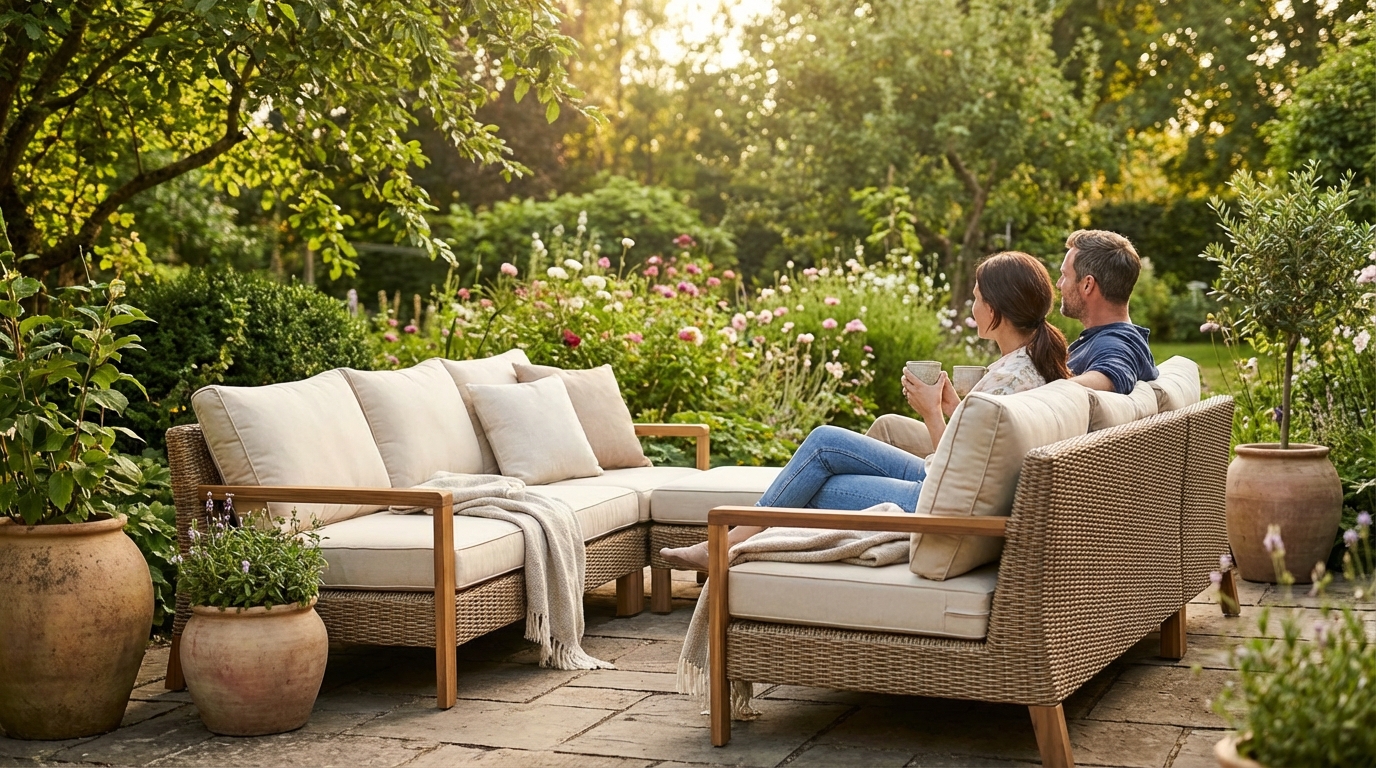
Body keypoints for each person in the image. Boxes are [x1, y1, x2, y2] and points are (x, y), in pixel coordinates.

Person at [658, 251, 1071, 571]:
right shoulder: (1027, 364)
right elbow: (983, 451)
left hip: (935, 504)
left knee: (808, 486)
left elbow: (962, 469)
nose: (972, 309)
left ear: (998, 308)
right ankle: (729, 545)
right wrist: (957, 408)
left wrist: (932, 412)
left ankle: (724, 548)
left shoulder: (1009, 378)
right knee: (823, 443)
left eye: (978, 300)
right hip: (944, 485)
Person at [1055, 229, 1159, 394]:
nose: (1059, 284)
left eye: (1064, 275)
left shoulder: (1116, 344)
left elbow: (1115, 373)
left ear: (1087, 285)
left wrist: (1041, 393)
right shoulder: (1117, 338)